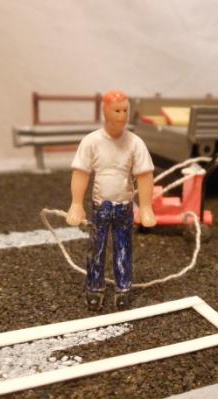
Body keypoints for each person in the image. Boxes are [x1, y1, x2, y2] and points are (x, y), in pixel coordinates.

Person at [66, 90, 156, 311]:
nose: (122, 115)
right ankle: (95, 288)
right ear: (105, 111)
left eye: (125, 110)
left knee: (123, 248)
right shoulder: (91, 142)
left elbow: (144, 175)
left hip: (124, 207)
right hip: (101, 207)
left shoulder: (135, 143)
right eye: (117, 110)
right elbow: (80, 173)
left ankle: (123, 289)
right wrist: (76, 204)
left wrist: (146, 207)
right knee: (96, 248)